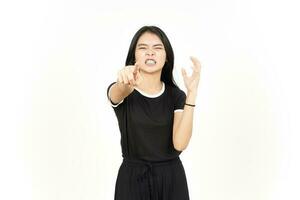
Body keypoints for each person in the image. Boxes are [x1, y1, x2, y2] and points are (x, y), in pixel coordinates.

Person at [106, 25, 201, 200]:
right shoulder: (124, 90)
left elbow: (180, 144)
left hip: (171, 179)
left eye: (157, 48)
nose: (150, 53)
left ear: (166, 58)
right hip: (132, 180)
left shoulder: (176, 96)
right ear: (134, 56)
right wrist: (124, 82)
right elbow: (117, 93)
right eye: (143, 48)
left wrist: (192, 94)